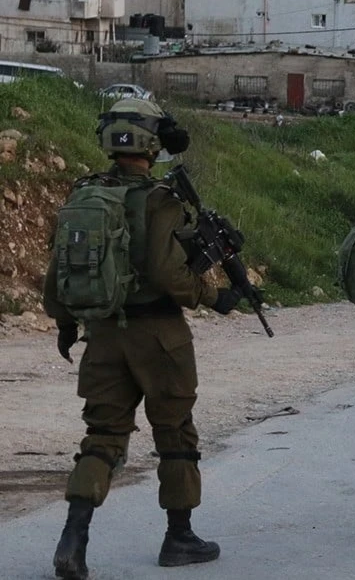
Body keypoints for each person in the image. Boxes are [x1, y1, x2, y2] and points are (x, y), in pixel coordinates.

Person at [43, 98, 241, 579]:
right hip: (159, 336)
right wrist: (214, 297)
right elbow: (168, 274)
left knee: (103, 437)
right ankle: (179, 538)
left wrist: (66, 323)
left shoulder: (85, 195)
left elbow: (59, 274)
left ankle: (74, 538)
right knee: (175, 434)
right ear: (152, 143)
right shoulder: (162, 199)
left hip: (105, 333)